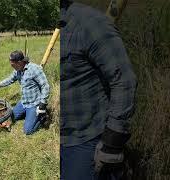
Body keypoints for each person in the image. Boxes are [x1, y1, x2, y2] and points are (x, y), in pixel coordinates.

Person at [60, 0, 137, 179]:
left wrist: (112, 143)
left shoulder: (90, 24)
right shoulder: (52, 31)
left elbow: (124, 81)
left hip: (86, 139)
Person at [0, 50, 50, 135]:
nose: (12, 67)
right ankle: (30, 115)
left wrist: (42, 104)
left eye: (13, 65)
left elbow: (45, 86)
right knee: (12, 117)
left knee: (28, 131)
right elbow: (10, 79)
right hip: (24, 102)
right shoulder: (18, 70)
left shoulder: (34, 69)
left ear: (20, 62)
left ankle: (42, 117)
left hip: (34, 103)